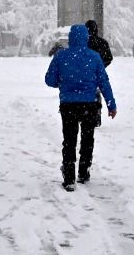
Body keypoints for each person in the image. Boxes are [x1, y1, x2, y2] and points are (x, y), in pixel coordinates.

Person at [45, 24, 117, 191]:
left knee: (69, 140)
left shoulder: (61, 56)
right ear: (86, 38)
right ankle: (83, 172)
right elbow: (104, 83)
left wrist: (63, 83)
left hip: (68, 104)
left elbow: (49, 80)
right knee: (87, 139)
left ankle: (69, 176)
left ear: (70, 38)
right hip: (89, 104)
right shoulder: (94, 57)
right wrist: (111, 104)